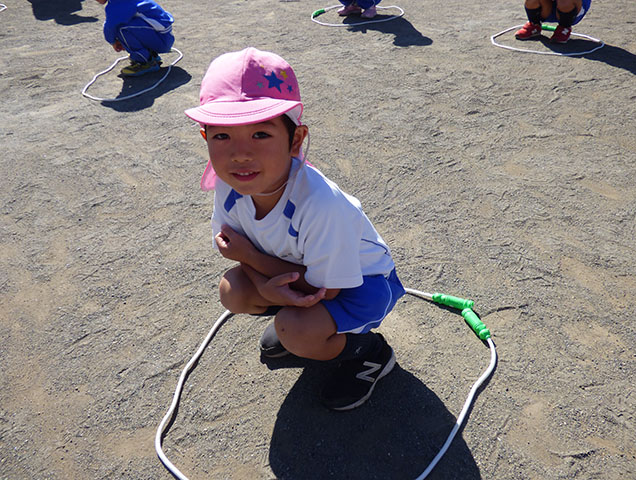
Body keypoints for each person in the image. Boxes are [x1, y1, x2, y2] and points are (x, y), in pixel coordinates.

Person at [185, 47, 405, 411]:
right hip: (296, 275)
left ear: (296, 139)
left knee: (296, 331)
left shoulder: (319, 204)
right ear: (205, 138)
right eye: (222, 136)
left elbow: (326, 290)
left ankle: (369, 353)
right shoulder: (229, 182)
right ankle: (304, 326)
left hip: (360, 286)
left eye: (260, 134)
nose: (240, 154)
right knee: (233, 290)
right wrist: (260, 282)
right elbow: (235, 253)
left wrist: (252, 261)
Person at [95, 0, 174, 76]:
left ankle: (144, 62)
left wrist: (113, 42)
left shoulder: (116, 3)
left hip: (161, 40)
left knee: (121, 28)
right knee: (122, 23)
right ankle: (151, 54)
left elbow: (109, 27)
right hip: (163, 36)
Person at [515, 0, 591, 43]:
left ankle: (564, 27)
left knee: (565, 2)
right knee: (532, 1)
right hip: (549, 7)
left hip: (572, 7)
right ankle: (534, 23)